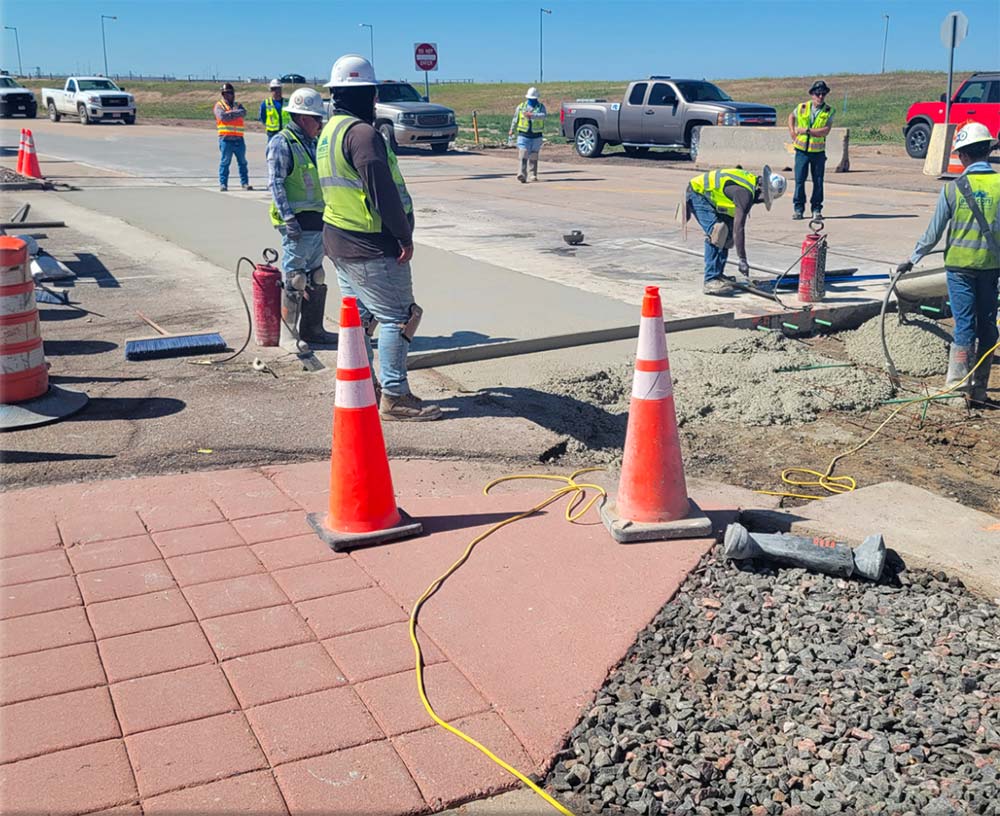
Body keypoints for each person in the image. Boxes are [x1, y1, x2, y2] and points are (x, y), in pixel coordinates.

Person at [317, 55, 441, 421]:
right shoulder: (363, 134)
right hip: (371, 245)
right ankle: (395, 395)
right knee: (399, 316)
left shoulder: (330, 133)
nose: (373, 102)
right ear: (368, 94)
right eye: (371, 94)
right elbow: (381, 192)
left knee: (359, 317)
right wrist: (404, 236)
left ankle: (363, 386)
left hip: (339, 241)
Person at [897, 122, 999, 407]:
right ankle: (979, 389)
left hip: (959, 269)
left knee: (965, 325)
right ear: (988, 150)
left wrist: (912, 259)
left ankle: (956, 389)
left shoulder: (953, 189)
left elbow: (933, 233)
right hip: (991, 268)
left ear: (963, 156)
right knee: (988, 327)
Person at [266, 87, 333, 353]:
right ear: (304, 118)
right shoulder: (282, 143)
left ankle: (313, 330)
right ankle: (288, 334)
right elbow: (276, 184)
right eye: (318, 119)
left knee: (316, 276)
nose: (321, 124)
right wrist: (288, 219)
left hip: (317, 220)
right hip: (296, 222)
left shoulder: (313, 143)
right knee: (295, 278)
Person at [686, 166, 787, 295]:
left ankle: (718, 275)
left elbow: (734, 227)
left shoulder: (751, 183)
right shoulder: (744, 194)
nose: (761, 201)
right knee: (718, 232)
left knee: (726, 234)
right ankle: (710, 279)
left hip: (711, 197)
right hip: (697, 193)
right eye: (764, 197)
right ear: (762, 189)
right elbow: (739, 228)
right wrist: (742, 259)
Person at [788, 80, 834, 220]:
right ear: (812, 94)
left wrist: (807, 131)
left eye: (823, 94)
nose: (820, 97)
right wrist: (792, 132)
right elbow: (791, 116)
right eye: (818, 94)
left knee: (818, 181)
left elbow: (825, 130)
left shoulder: (828, 111)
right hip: (802, 151)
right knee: (800, 180)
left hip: (818, 153)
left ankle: (816, 209)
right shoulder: (802, 107)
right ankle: (798, 208)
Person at [214, 82, 251, 192]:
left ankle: (245, 183)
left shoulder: (238, 105)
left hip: (239, 139)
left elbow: (243, 112)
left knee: (243, 162)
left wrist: (230, 113)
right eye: (225, 93)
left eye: (229, 93)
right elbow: (222, 117)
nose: (227, 95)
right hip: (225, 139)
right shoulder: (219, 106)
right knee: (225, 162)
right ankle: (223, 184)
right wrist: (235, 113)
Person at [507, 87, 547, 183]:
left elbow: (543, 116)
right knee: (523, 153)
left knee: (533, 155)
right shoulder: (521, 106)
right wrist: (511, 129)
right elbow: (515, 118)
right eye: (530, 99)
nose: (532, 100)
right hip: (523, 134)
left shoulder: (541, 107)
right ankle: (522, 174)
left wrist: (532, 116)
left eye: (533, 99)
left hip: (536, 135)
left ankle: (533, 174)